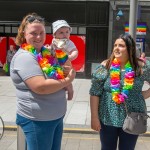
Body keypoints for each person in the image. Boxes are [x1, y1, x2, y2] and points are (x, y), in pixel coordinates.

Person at [10, 13, 76, 150]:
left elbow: (64, 69)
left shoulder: (47, 51)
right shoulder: (24, 57)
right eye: (34, 33)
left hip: (55, 117)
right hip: (38, 121)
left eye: (42, 32)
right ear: (24, 33)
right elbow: (41, 87)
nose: (39, 37)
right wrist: (68, 80)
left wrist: (62, 54)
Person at [89, 34, 150, 150]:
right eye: (115, 45)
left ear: (130, 49)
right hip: (107, 118)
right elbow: (94, 93)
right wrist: (94, 117)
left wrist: (144, 94)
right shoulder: (105, 66)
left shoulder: (141, 67)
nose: (116, 48)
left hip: (133, 118)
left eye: (121, 45)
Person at [46, 20, 78, 100]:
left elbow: (75, 51)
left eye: (67, 32)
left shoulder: (68, 42)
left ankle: (70, 91)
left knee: (66, 78)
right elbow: (52, 50)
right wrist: (48, 49)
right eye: (61, 32)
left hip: (65, 62)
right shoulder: (54, 41)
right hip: (56, 63)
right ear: (55, 34)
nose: (65, 34)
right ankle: (58, 89)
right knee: (56, 76)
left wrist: (71, 57)